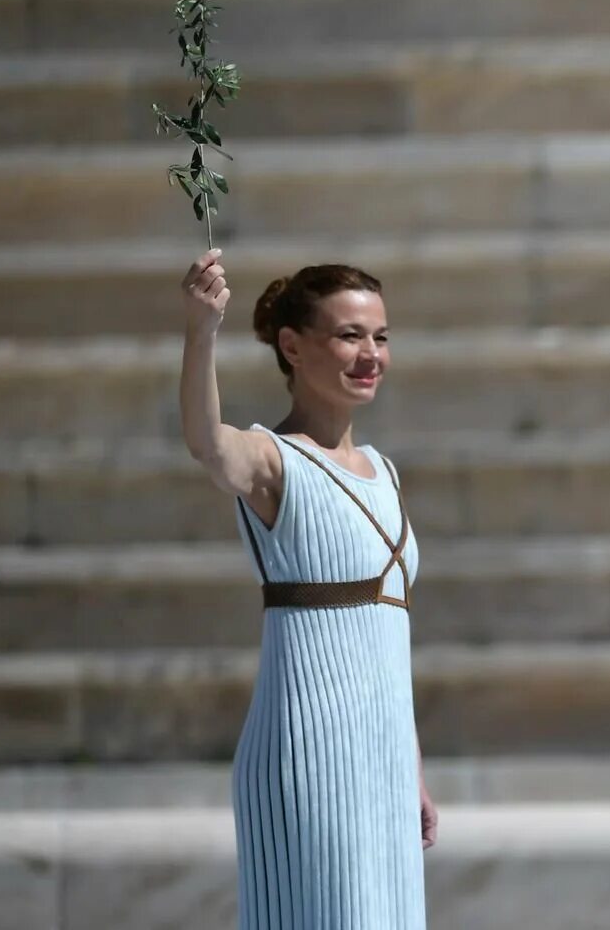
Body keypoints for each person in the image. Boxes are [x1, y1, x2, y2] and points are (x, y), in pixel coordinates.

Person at [179, 251, 434, 928]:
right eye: (349, 335)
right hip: (310, 752)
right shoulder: (272, 459)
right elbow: (208, 443)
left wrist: (410, 767)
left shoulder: (384, 470)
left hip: (381, 756)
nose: (370, 353)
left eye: (380, 336)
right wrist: (202, 329)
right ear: (292, 346)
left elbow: (388, 638)